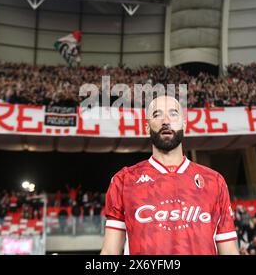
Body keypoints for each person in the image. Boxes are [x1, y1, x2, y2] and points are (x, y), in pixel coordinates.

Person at [101, 95, 239, 255]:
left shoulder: (214, 181)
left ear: (184, 124)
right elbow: (110, 251)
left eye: (173, 114)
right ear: (147, 127)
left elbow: (229, 249)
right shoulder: (124, 180)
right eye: (157, 115)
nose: (166, 121)